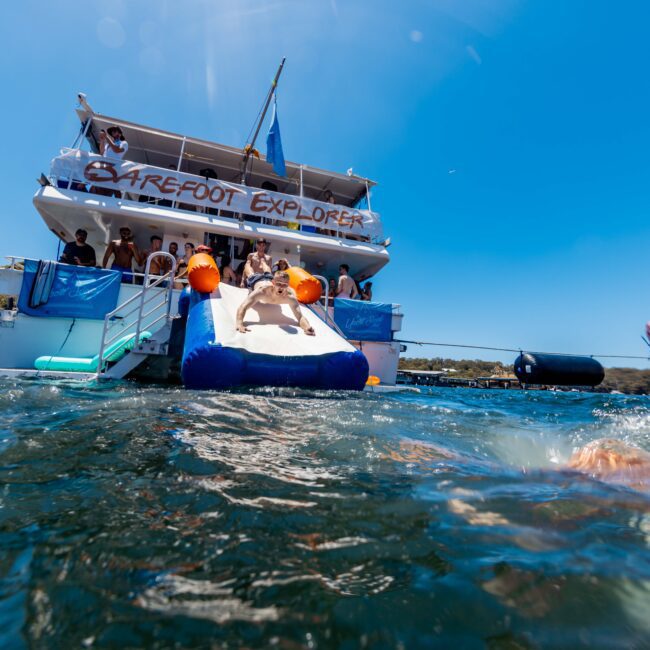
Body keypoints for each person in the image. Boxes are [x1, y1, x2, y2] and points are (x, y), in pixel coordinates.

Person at [236, 270, 315, 336]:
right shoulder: (262, 292)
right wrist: (239, 323)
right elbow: (243, 307)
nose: (281, 287)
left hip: (270, 277)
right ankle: (249, 261)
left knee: (266, 267)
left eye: (284, 285)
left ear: (288, 285)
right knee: (250, 271)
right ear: (273, 283)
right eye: (278, 284)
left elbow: (300, 316)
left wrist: (307, 327)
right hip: (257, 279)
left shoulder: (290, 297)